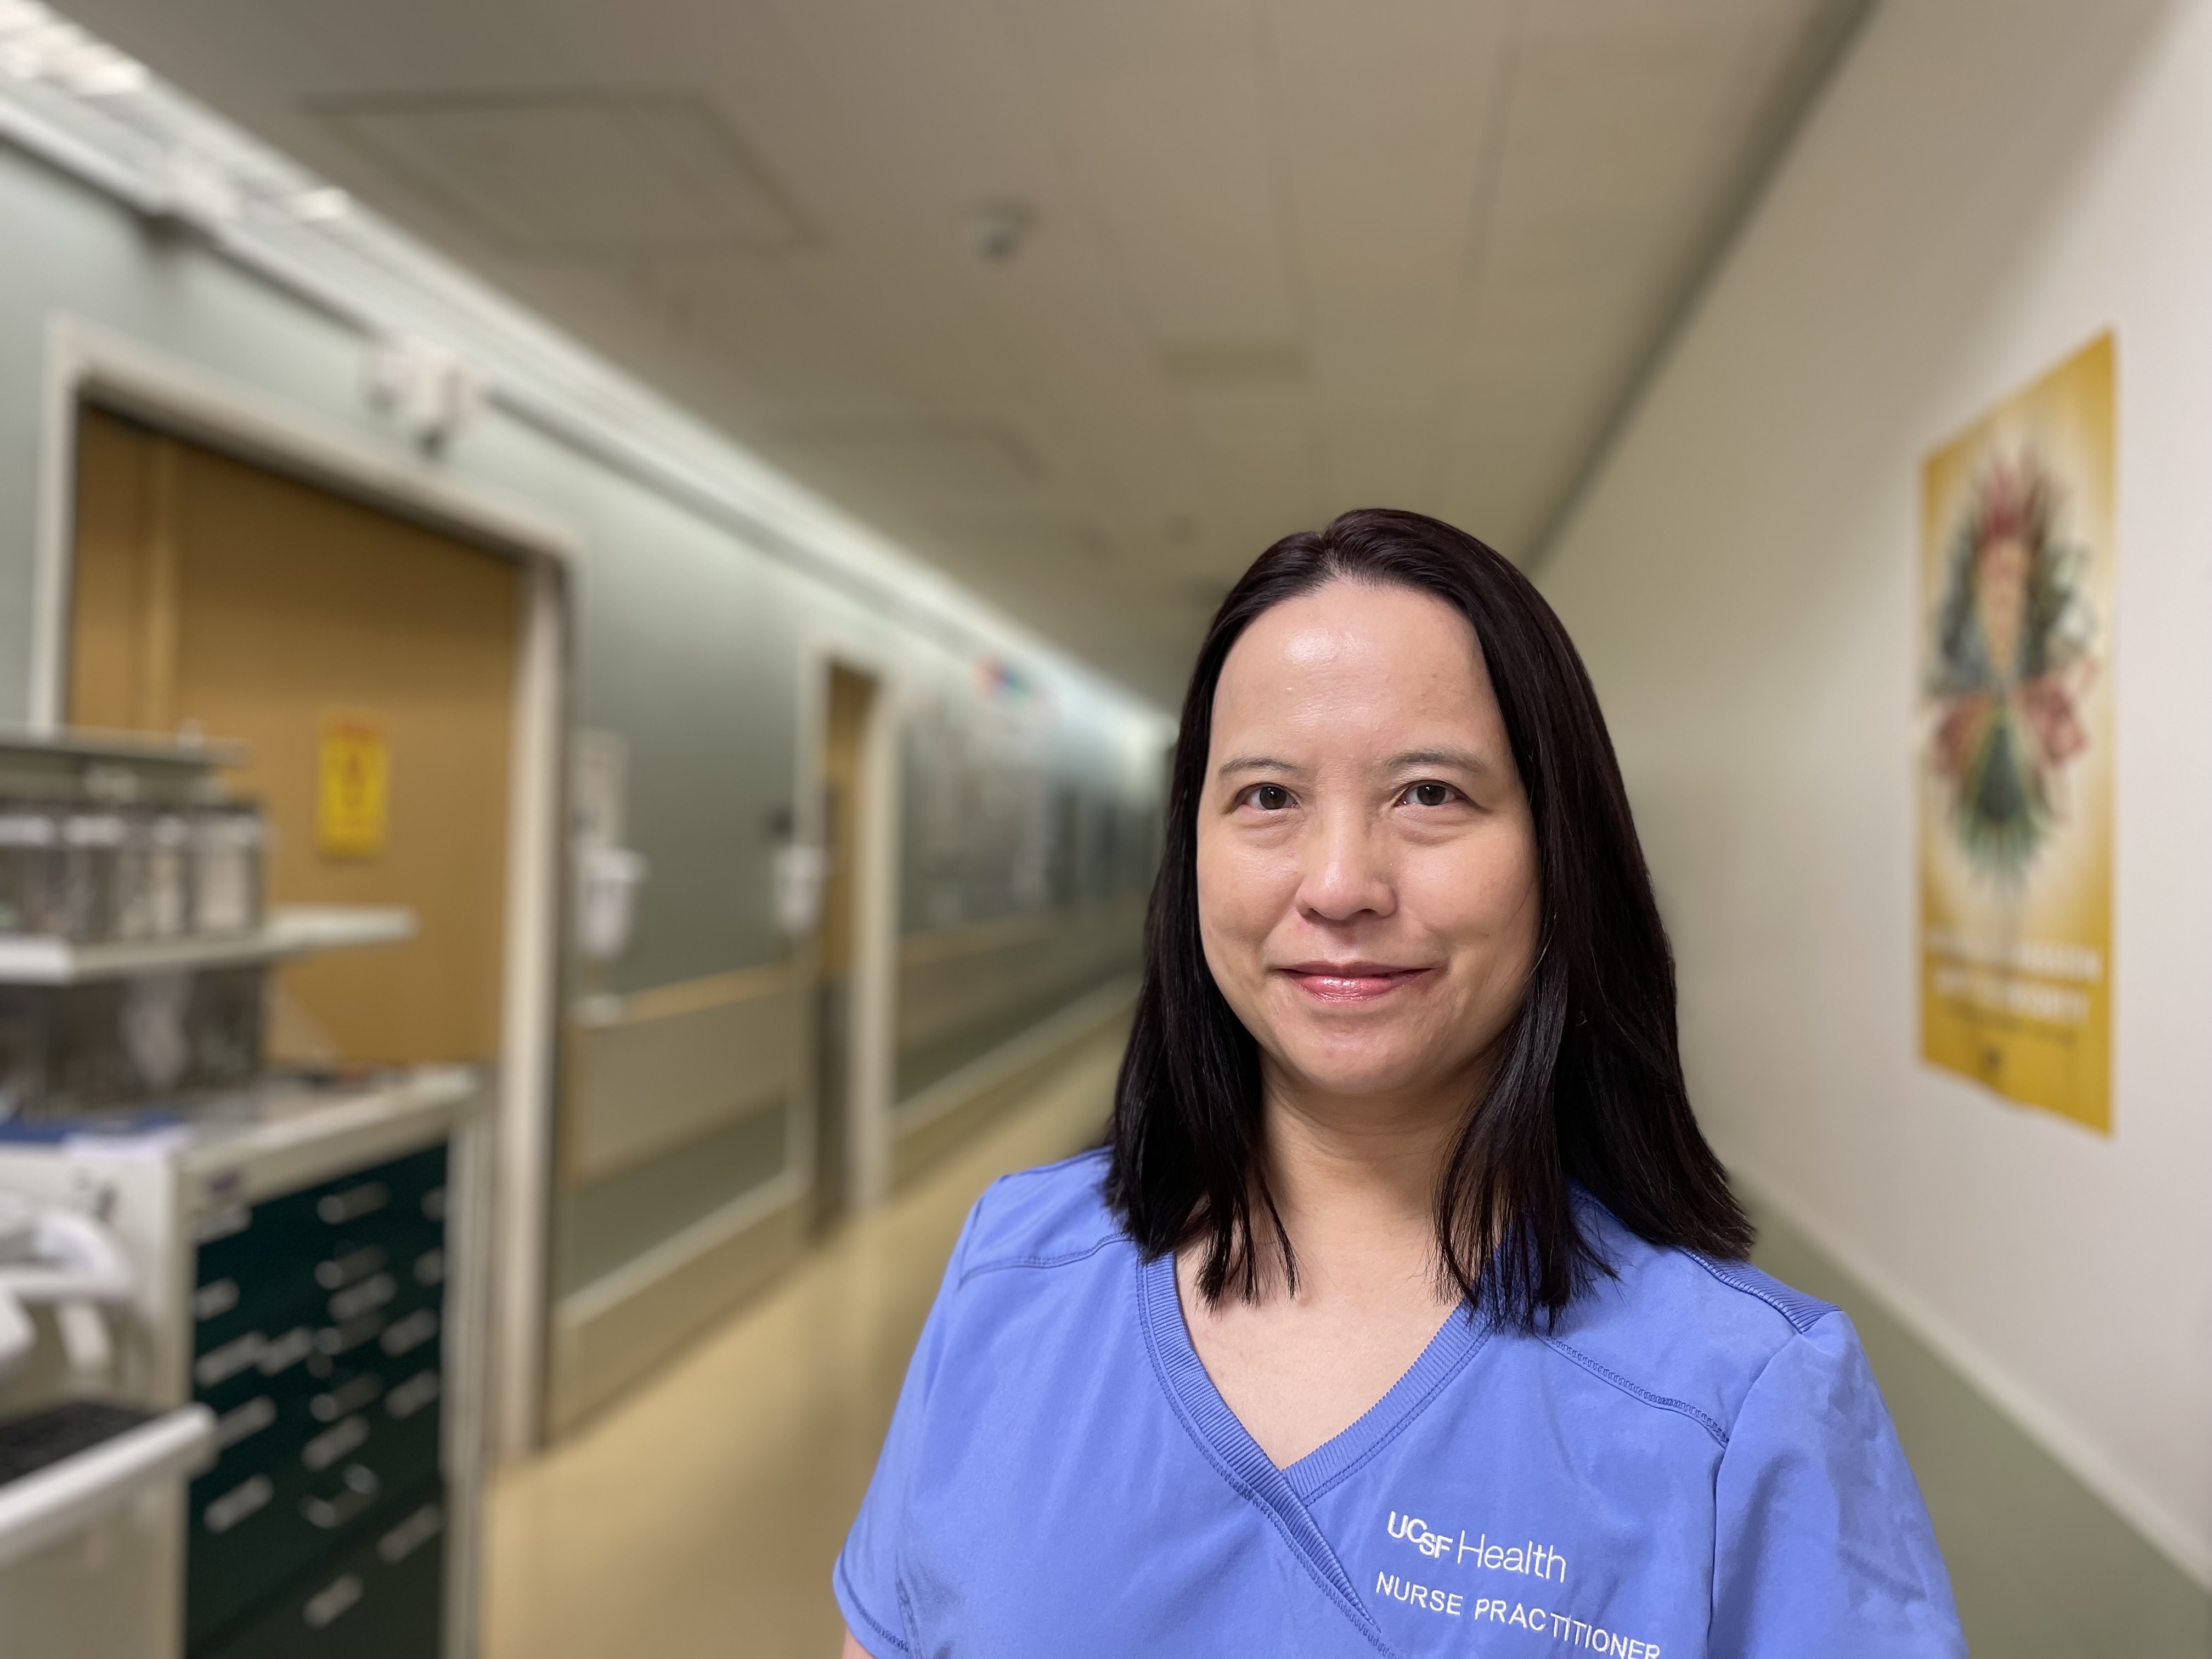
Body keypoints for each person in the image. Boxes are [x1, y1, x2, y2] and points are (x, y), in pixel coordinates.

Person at [836, 509, 1965, 1658]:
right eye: (1267, 797)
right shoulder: (1014, 1275)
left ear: (1559, 853)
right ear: (1192, 857)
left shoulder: (1740, 1403)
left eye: (1429, 793)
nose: (1340, 885)